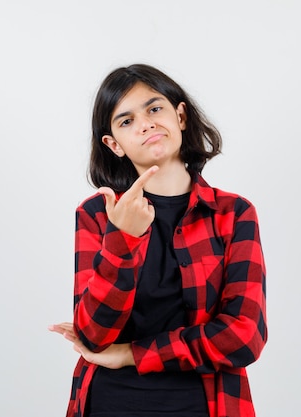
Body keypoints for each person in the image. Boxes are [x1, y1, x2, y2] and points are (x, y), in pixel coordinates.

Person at [49, 63, 267, 417]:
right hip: (110, 402)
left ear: (180, 116)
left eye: (154, 108)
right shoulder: (97, 214)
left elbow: (244, 337)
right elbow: (93, 335)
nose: (146, 123)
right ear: (113, 145)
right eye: (126, 121)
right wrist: (123, 241)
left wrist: (131, 354)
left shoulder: (233, 213)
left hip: (207, 405)